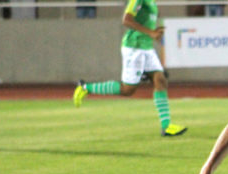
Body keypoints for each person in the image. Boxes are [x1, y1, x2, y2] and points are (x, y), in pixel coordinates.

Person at [73, 0, 186, 137]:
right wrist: (151, 32)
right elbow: (126, 20)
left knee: (160, 80)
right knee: (127, 90)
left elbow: (146, 20)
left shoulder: (152, 2)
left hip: (147, 48)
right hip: (134, 47)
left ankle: (166, 127)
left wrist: (155, 31)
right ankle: (85, 88)